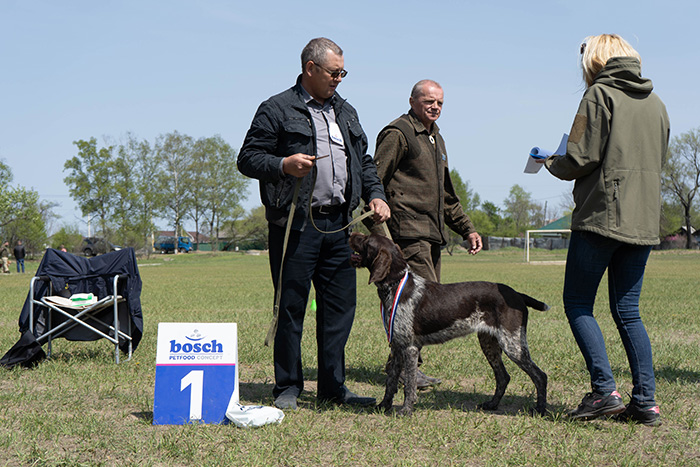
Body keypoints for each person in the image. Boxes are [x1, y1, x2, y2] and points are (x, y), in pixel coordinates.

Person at [237, 37, 391, 410]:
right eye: (334, 72)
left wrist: (377, 193)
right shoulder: (276, 108)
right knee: (291, 306)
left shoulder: (346, 111)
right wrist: (283, 165)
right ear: (310, 69)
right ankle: (288, 386)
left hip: (340, 227)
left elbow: (364, 160)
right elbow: (248, 158)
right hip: (296, 226)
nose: (339, 79)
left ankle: (332, 387)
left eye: (343, 72)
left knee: (340, 308)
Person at [541, 34, 669, 426]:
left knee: (578, 303)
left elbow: (580, 156)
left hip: (601, 217)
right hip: (644, 219)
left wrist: (551, 161)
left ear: (595, 60)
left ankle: (603, 391)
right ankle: (645, 403)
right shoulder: (657, 103)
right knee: (628, 311)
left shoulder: (599, 95)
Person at [373, 79, 483, 388]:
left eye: (440, 103)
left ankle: (401, 365)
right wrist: (382, 238)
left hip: (431, 234)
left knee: (424, 303)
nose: (434, 107)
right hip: (407, 234)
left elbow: (447, 196)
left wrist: (467, 228)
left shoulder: (436, 139)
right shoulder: (398, 133)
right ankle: (408, 368)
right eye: (428, 101)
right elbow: (373, 182)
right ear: (412, 101)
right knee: (419, 304)